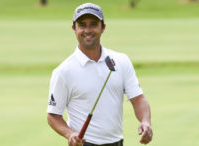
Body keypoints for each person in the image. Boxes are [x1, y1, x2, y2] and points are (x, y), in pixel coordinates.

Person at [47, 3, 153, 146]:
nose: (88, 30)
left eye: (94, 24)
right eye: (82, 25)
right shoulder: (63, 71)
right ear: (74, 28)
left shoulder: (121, 61)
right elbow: (53, 115)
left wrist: (145, 122)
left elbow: (138, 98)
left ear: (103, 27)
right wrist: (70, 133)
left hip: (117, 143)